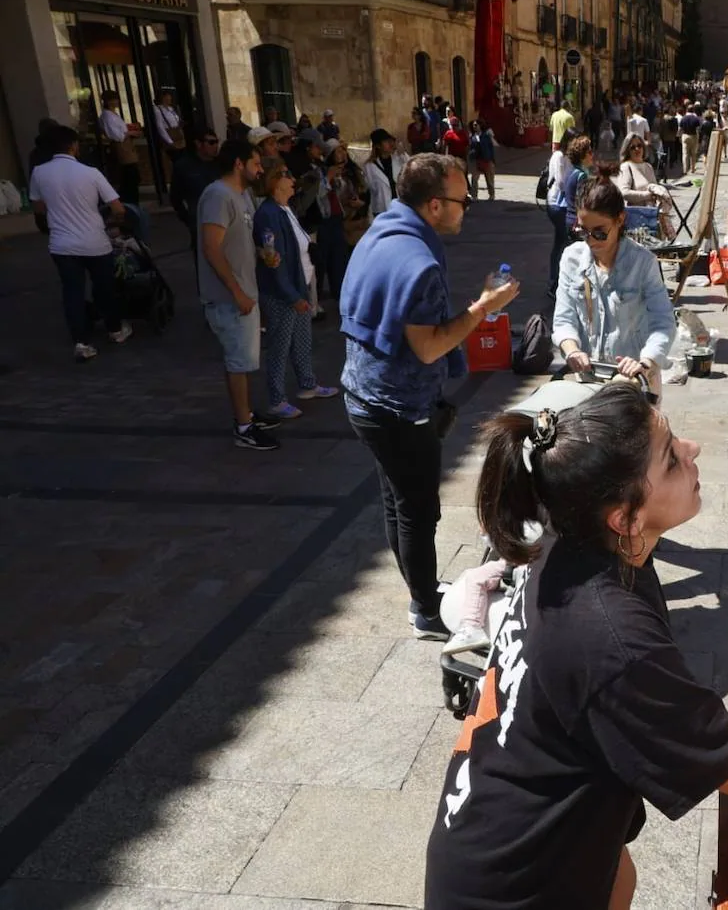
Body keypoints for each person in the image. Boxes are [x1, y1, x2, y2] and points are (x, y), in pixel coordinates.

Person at [424, 381, 728, 908]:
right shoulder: (609, 636)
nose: (693, 450)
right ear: (627, 518)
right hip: (511, 890)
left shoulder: (572, 549)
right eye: (671, 459)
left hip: (492, 845)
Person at [339, 153, 521, 639]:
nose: (468, 208)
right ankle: (424, 608)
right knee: (418, 510)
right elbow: (429, 346)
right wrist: (484, 307)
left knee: (396, 500)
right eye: (464, 200)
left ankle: (418, 588)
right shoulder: (418, 263)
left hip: (363, 394)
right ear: (435, 204)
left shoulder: (383, 229)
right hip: (397, 407)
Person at [553, 172, 674, 398]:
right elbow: (563, 319)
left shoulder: (643, 262)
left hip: (635, 381)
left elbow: (663, 322)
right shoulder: (571, 258)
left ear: (620, 220)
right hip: (588, 381)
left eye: (599, 232)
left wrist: (645, 361)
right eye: (583, 231)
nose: (590, 240)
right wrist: (572, 350)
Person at [28, 125, 131, 362]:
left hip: (62, 244)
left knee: (72, 292)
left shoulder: (39, 173)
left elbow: (38, 208)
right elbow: (118, 208)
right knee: (105, 288)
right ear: (73, 146)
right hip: (94, 242)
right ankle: (115, 330)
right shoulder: (90, 172)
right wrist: (113, 222)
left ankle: (81, 343)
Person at [198, 139, 276, 449]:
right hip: (230, 298)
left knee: (245, 360)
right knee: (238, 362)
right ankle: (243, 427)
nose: (260, 169)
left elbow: (239, 241)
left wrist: (262, 254)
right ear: (238, 164)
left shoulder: (242, 197)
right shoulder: (218, 195)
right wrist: (237, 292)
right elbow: (211, 247)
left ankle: (248, 414)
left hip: (245, 293)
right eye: (256, 163)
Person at [253, 164, 338, 418]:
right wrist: (292, 296)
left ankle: (308, 384)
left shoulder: (285, 208)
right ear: (275, 182)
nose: (293, 180)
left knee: (302, 340)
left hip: (300, 286)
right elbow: (273, 259)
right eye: (287, 176)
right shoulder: (268, 214)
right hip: (283, 293)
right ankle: (276, 399)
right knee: (279, 346)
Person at [171, 125, 222, 260]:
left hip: (223, 219)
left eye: (217, 142)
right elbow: (176, 197)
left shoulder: (221, 164)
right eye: (211, 142)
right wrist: (189, 218)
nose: (215, 146)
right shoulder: (183, 166)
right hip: (199, 222)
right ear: (198, 144)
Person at [614, 134, 674, 239]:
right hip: (636, 221)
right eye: (632, 147)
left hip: (652, 217)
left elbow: (654, 187)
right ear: (627, 150)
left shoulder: (648, 166)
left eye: (639, 145)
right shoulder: (626, 167)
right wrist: (647, 195)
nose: (637, 149)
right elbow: (624, 192)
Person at [544, 129, 575, 304]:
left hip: (565, 204)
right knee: (563, 241)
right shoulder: (558, 157)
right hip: (557, 204)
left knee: (561, 241)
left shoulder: (569, 157)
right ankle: (554, 283)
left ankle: (557, 281)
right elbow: (562, 182)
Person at [98, 90, 142, 206]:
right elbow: (116, 135)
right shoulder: (107, 116)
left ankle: (131, 200)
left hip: (126, 144)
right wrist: (130, 133)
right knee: (129, 176)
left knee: (132, 176)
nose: (117, 102)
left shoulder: (114, 115)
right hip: (121, 146)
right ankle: (128, 202)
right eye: (114, 99)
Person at [364, 128, 409, 215]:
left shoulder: (398, 159)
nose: (390, 144)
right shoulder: (369, 166)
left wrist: (403, 153)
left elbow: (411, 169)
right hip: (381, 209)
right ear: (378, 146)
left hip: (400, 206)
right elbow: (371, 188)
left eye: (390, 140)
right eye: (386, 141)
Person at [153, 91, 186, 184]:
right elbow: (160, 126)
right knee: (176, 161)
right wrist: (169, 141)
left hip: (178, 135)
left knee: (182, 160)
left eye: (170, 97)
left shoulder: (171, 109)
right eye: (166, 97)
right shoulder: (158, 110)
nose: (169, 99)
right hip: (170, 135)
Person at [469, 119, 496, 200]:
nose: (475, 127)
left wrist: (492, 159)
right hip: (476, 160)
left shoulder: (486, 136)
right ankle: (474, 196)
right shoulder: (472, 137)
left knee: (489, 179)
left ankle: (491, 195)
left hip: (487, 159)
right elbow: (470, 147)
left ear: (480, 126)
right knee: (474, 179)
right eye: (473, 125)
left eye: (476, 125)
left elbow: (491, 147)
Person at [679, 104, 702, 176]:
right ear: (693, 110)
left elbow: (680, 129)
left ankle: (685, 170)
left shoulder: (683, 118)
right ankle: (692, 168)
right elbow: (698, 129)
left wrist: (679, 136)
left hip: (685, 136)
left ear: (686, 110)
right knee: (693, 154)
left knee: (685, 154)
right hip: (693, 136)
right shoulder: (695, 119)